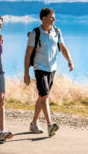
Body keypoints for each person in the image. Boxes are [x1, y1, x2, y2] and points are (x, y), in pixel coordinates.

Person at [24, 8, 74, 137]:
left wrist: (69, 60)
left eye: (54, 17)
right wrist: (26, 73)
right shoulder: (35, 33)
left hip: (52, 69)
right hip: (39, 68)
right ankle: (50, 124)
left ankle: (33, 124)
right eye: (52, 17)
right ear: (44, 18)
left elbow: (62, 47)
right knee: (45, 96)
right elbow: (28, 54)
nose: (54, 19)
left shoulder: (57, 32)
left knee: (41, 97)